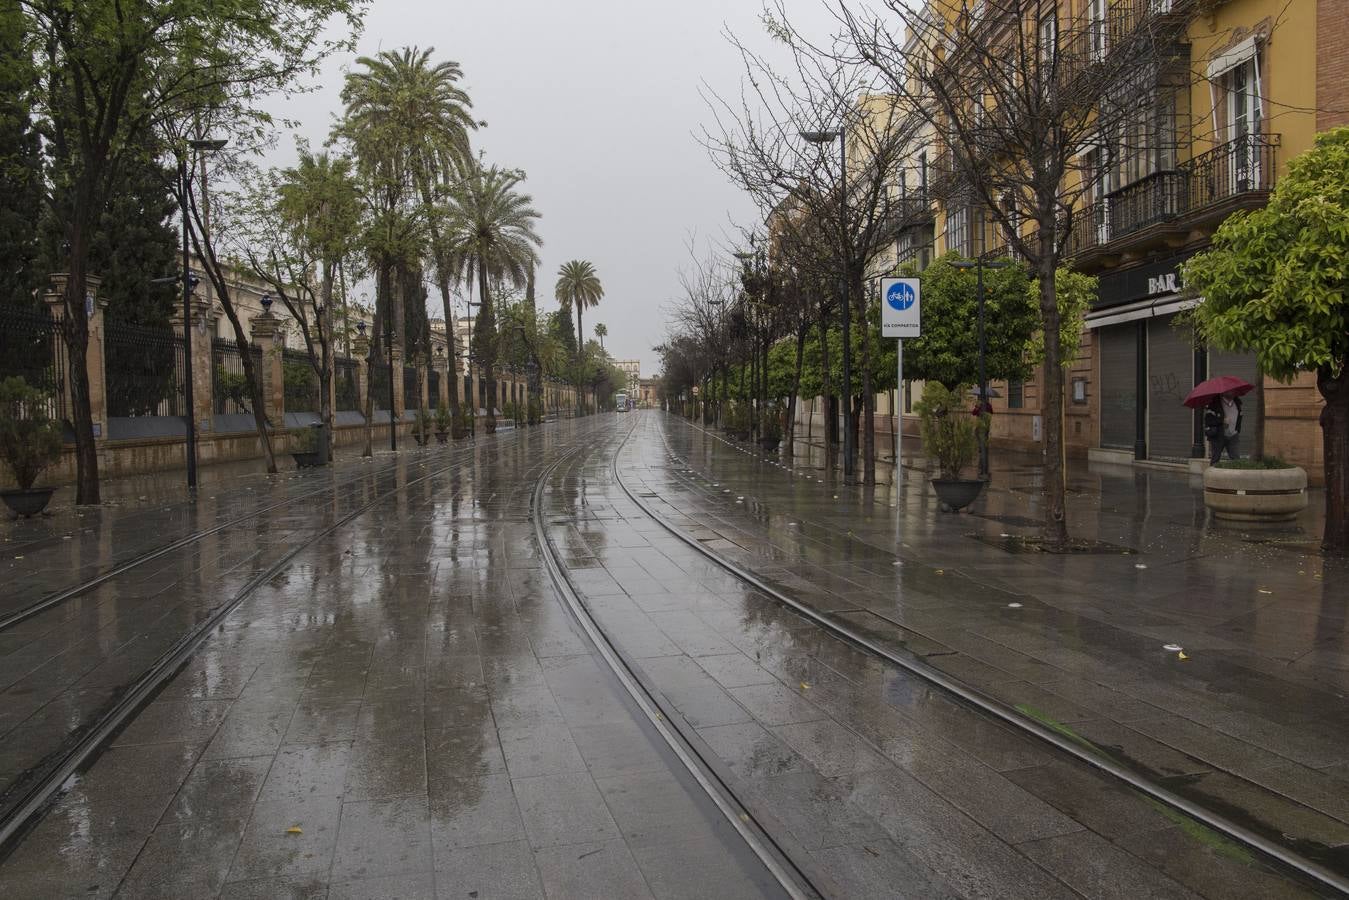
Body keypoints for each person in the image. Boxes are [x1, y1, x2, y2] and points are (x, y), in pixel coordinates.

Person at [1204, 391, 1242, 463]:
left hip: (1233, 435)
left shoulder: (1237, 402)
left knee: (1236, 460)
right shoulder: (1214, 404)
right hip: (1218, 435)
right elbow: (1208, 420)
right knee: (1215, 459)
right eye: (1229, 390)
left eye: (1233, 390)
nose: (1231, 392)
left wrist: (1237, 430)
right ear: (1223, 392)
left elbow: (1240, 417)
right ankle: (1213, 474)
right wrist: (1221, 421)